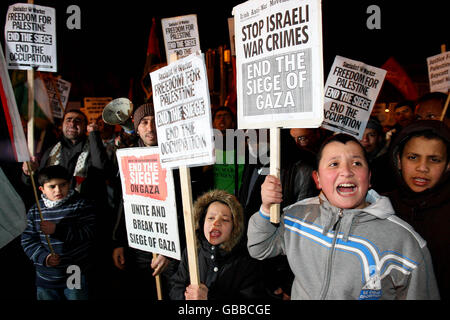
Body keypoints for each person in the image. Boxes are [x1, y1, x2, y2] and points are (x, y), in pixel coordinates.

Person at [248, 133, 440, 299]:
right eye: (334, 164)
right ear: (317, 179)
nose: (346, 172)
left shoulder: (405, 242)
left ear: (369, 177)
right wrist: (266, 209)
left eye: (356, 163)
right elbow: (260, 248)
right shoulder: (296, 216)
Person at [111, 102, 172, 299]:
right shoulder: (129, 157)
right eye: (144, 122)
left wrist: (171, 250)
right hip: (139, 247)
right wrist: (118, 242)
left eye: (155, 121)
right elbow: (124, 202)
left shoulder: (176, 156)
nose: (150, 127)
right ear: (136, 128)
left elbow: (184, 205)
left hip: (170, 250)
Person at [386, 120, 449, 299]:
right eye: (413, 157)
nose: (422, 168)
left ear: (448, 165)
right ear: (398, 160)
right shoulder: (380, 206)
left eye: (434, 160)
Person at [169, 189, 267, 300]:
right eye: (211, 218)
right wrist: (185, 296)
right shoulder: (192, 251)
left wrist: (209, 297)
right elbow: (176, 286)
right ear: (202, 222)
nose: (216, 223)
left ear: (235, 228)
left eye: (225, 220)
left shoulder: (246, 262)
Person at [21, 165, 96, 300]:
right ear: (42, 189)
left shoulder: (80, 205)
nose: (58, 190)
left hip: (74, 271)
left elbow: (89, 233)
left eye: (63, 185)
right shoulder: (35, 211)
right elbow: (28, 240)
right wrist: (44, 257)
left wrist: (57, 230)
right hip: (46, 275)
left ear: (69, 184)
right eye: (52, 186)